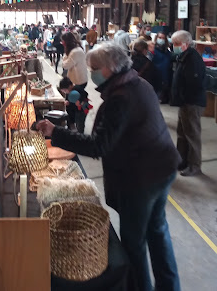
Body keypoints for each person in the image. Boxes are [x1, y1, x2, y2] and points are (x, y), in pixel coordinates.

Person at [37, 43, 181, 291]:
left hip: (142, 177)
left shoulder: (121, 98)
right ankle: (169, 286)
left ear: (111, 68)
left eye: (94, 68)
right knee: (158, 232)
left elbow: (98, 146)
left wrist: (56, 133)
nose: (91, 73)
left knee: (134, 244)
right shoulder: (137, 83)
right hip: (161, 168)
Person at [171, 30, 206, 176]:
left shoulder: (193, 59)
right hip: (184, 102)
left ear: (185, 44)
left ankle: (194, 165)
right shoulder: (183, 56)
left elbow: (194, 84)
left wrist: (184, 97)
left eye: (177, 44)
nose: (174, 46)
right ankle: (182, 160)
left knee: (192, 134)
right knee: (182, 133)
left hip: (191, 103)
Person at [153, 32, 173, 103]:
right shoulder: (153, 50)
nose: (161, 40)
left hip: (165, 75)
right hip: (156, 76)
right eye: (160, 38)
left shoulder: (167, 51)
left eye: (163, 38)